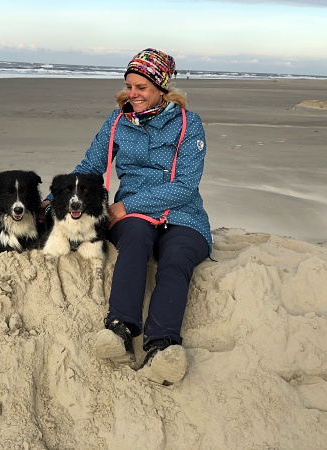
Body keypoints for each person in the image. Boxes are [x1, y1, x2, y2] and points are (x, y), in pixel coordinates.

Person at [42, 48, 212, 385]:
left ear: (162, 88)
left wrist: (126, 206)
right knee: (133, 241)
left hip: (184, 214)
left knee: (176, 259)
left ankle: (162, 346)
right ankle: (119, 330)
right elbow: (91, 166)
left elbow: (185, 186)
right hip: (133, 216)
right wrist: (51, 199)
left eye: (141, 88)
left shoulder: (188, 125)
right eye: (129, 85)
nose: (132, 94)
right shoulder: (117, 121)